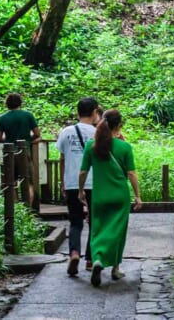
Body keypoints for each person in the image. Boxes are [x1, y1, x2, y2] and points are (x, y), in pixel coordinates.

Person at [78, 109, 142, 287]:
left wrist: (81, 191)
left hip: (99, 195)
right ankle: (115, 268)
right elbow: (131, 173)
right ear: (119, 125)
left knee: (98, 229)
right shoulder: (124, 147)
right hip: (119, 195)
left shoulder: (92, 146)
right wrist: (137, 196)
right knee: (118, 232)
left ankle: (97, 259)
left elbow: (83, 171)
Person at [55, 97, 100, 276]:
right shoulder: (97, 133)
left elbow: (62, 159)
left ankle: (74, 253)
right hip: (94, 182)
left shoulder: (66, 132)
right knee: (95, 221)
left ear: (77, 112)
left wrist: (63, 182)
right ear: (95, 112)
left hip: (73, 182)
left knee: (75, 221)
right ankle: (90, 259)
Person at [0, 93, 41, 205]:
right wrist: (29, 140)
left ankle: (15, 209)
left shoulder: (2, 119)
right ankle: (28, 209)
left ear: (7, 104)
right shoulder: (28, 115)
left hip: (9, 152)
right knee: (29, 182)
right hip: (25, 151)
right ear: (20, 103)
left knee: (11, 182)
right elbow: (37, 134)